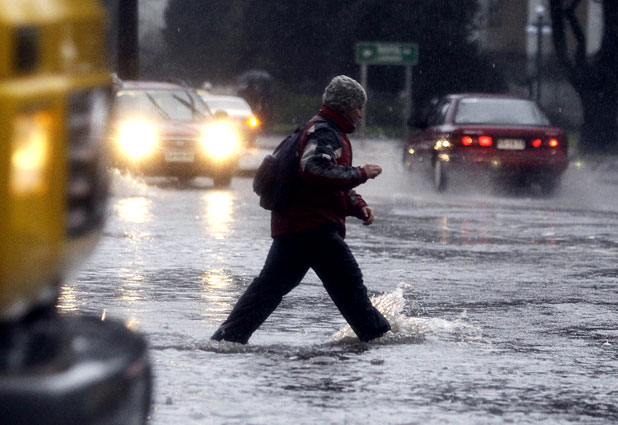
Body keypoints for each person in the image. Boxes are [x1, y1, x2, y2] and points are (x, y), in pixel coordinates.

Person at [211, 75, 391, 344]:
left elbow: (323, 179)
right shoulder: (325, 132)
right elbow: (315, 170)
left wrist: (357, 205)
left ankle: (225, 341)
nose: (361, 114)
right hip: (313, 229)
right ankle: (380, 340)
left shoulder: (316, 129)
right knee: (350, 289)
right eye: (359, 107)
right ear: (346, 106)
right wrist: (361, 173)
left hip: (294, 228)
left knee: (268, 290)